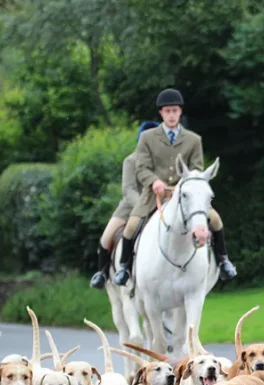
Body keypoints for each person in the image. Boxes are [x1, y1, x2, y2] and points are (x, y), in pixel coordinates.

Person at [113, 88, 237, 286]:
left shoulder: (194, 140)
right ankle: (125, 268)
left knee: (216, 220)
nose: (171, 115)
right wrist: (154, 182)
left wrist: (184, 186)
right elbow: (142, 168)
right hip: (154, 194)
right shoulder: (147, 138)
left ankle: (223, 261)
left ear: (180, 112)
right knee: (131, 225)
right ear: (161, 113)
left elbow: (196, 169)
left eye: (175, 111)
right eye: (167, 111)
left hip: (186, 194)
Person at [90, 120, 160, 289]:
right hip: (130, 208)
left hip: (159, 207)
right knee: (106, 237)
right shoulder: (130, 161)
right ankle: (103, 272)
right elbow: (128, 189)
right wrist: (143, 206)